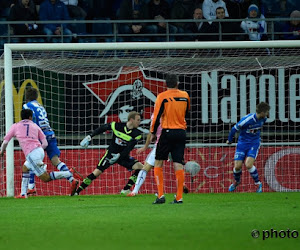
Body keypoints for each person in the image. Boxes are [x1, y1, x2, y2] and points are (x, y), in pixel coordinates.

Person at [0, 109, 76, 198]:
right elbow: (45, 143)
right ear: (30, 117)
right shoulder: (35, 126)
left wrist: (2, 151)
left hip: (32, 153)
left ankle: (68, 173)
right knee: (25, 168)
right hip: (39, 150)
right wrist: (38, 151)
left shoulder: (15, 126)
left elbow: (5, 142)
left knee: (45, 178)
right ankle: (23, 194)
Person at [23, 87, 81, 196]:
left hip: (39, 136)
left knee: (31, 159)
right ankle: (72, 179)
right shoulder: (40, 106)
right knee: (55, 161)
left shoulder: (27, 106)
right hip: (50, 134)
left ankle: (31, 187)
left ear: (26, 97)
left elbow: (32, 120)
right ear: (36, 96)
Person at [73, 111, 144, 196]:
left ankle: (126, 189)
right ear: (131, 120)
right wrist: (90, 136)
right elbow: (103, 128)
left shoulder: (137, 134)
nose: (139, 122)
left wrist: (119, 156)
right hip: (110, 154)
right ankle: (77, 192)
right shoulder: (116, 126)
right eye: (138, 120)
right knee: (96, 172)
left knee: (141, 168)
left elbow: (129, 148)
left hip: (122, 156)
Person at [150, 74, 190, 204]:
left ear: (165, 84)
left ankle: (161, 196)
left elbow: (156, 117)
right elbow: (187, 112)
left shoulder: (162, 96)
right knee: (178, 163)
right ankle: (179, 197)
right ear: (177, 83)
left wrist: (152, 132)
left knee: (158, 162)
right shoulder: (185, 95)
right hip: (181, 132)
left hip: (167, 132)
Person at [127, 115, 189, 197]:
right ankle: (181, 188)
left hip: (162, 143)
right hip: (176, 142)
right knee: (177, 165)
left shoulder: (156, 115)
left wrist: (145, 146)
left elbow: (151, 132)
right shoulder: (175, 114)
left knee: (148, 166)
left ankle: (135, 191)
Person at [226, 102, 270, 193]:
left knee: (248, 164)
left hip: (254, 143)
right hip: (242, 144)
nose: (267, 114)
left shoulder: (263, 119)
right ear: (262, 112)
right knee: (237, 167)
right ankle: (236, 182)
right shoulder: (247, 120)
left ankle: (258, 184)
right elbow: (234, 129)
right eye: (266, 112)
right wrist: (229, 140)